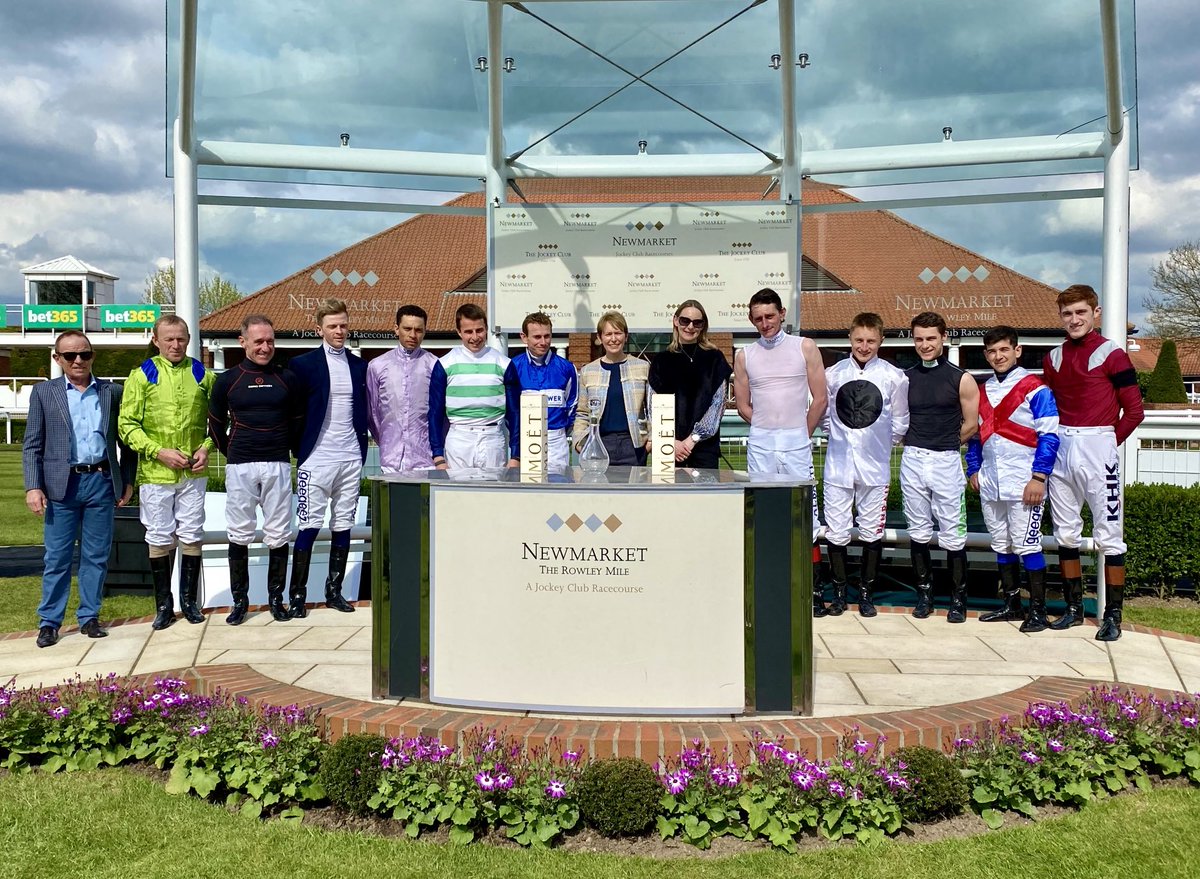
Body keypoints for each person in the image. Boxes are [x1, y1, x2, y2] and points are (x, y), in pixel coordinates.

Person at [1042, 284, 1145, 641]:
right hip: (1062, 445)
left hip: (1098, 444)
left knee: (1110, 537)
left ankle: (1113, 614)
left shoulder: (1112, 354)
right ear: (1060, 317)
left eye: (1081, 312)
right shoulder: (1052, 358)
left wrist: (1105, 445)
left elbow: (1135, 411)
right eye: (1068, 314)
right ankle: (1072, 608)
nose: (1074, 319)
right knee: (1065, 533)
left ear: (1095, 313)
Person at [23, 332, 135, 647]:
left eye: (84, 354)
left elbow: (126, 443)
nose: (77, 361)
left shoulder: (113, 392)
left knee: (96, 556)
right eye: (70, 355)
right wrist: (34, 486)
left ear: (92, 356)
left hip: (101, 481)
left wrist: (127, 480)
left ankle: (89, 617)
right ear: (58, 358)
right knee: (57, 557)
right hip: (61, 485)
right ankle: (49, 622)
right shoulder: (44, 393)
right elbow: (32, 444)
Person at [732, 288, 828, 615]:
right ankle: (769, 586)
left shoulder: (805, 347)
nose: (765, 323)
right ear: (751, 319)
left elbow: (820, 399)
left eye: (770, 316)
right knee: (762, 513)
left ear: (782, 313)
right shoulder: (745, 355)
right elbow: (744, 405)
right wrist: (765, 426)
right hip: (761, 442)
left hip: (796, 441)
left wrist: (800, 433)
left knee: (804, 516)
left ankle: (813, 591)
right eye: (758, 318)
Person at [118, 315, 215, 630]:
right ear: (156, 340)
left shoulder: (203, 374)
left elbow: (218, 421)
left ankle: (189, 602)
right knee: (158, 536)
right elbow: (127, 425)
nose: (176, 345)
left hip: (192, 474)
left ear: (189, 339)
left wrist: (205, 448)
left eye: (181, 339)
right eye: (169, 339)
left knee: (192, 533)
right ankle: (164, 605)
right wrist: (157, 451)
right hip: (156, 474)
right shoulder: (142, 375)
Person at [208, 315, 302, 625]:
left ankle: (276, 599)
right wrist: (233, 451)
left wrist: (290, 450)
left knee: (278, 533)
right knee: (240, 533)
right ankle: (240, 602)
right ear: (243, 341)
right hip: (240, 465)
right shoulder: (227, 380)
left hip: (277, 463)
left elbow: (297, 422)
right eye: (258, 341)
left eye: (270, 341)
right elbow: (217, 425)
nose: (265, 347)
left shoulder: (286, 378)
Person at [966, 326, 1060, 632]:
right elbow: (976, 437)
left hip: (1024, 481)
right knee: (1001, 545)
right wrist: (973, 468)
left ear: (1016, 351)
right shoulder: (982, 390)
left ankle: (1038, 611)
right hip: (991, 481)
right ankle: (1011, 604)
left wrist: (1039, 476)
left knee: (1028, 545)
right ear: (986, 354)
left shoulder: (1036, 388)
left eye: (1004, 349)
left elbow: (1049, 436)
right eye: (992, 351)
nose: (998, 356)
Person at [822, 313, 909, 617]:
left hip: (875, 468)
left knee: (872, 531)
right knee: (836, 532)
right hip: (838, 466)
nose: (864, 346)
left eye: (871, 341)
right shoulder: (832, 374)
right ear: (850, 338)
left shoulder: (894, 376)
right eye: (859, 340)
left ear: (880, 341)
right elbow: (822, 413)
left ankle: (866, 595)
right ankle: (839, 595)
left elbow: (900, 421)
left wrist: (882, 444)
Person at [289, 298, 370, 615]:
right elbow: (293, 414)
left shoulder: (358, 365)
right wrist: (300, 450)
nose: (339, 331)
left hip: (350, 455)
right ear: (319, 329)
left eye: (343, 325)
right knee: (308, 526)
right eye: (333, 326)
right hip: (316, 458)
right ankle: (297, 595)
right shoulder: (303, 365)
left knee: (343, 525)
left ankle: (334, 592)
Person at [901, 312, 980, 623]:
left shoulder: (962, 378)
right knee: (918, 532)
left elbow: (972, 425)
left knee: (953, 534)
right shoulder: (904, 378)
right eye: (919, 339)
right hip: (912, 460)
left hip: (946, 460)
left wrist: (945, 441)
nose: (925, 344)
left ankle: (958, 600)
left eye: (931, 338)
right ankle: (925, 596)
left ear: (943, 338)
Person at [428, 303, 518, 470]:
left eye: (479, 330)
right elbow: (435, 412)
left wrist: (516, 455)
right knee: (458, 496)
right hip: (459, 439)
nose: (475, 337)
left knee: (492, 494)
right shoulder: (444, 364)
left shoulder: (504, 363)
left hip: (493, 439)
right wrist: (438, 455)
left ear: (486, 329)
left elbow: (514, 412)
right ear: (459, 332)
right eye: (468, 332)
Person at [650, 300, 732, 470]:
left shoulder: (715, 359)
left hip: (704, 449)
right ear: (675, 320)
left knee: (704, 497)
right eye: (685, 321)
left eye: (697, 322)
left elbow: (718, 405)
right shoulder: (660, 361)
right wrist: (671, 442)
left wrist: (692, 439)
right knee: (666, 497)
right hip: (668, 450)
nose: (690, 327)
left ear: (703, 326)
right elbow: (652, 406)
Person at [573, 311, 651, 465]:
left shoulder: (642, 367)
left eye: (618, 333)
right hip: (599, 444)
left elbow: (651, 409)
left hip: (634, 445)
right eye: (608, 334)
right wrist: (579, 443)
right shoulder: (588, 371)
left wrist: (650, 443)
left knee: (632, 489)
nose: (613, 339)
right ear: (600, 337)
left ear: (626, 336)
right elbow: (582, 412)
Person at [366, 304, 436, 473]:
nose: (413, 335)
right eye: (407, 328)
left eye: (418, 330)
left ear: (425, 331)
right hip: (390, 458)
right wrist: (387, 438)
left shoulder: (434, 365)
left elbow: (441, 415)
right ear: (396, 329)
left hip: (425, 458)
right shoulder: (377, 366)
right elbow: (372, 412)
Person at [505, 312, 578, 471]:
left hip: (556, 440)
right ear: (524, 337)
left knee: (557, 490)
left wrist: (559, 431)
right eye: (537, 337)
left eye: (547, 336)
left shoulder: (566, 368)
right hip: (525, 440)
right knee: (527, 493)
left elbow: (573, 405)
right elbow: (509, 411)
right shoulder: (513, 367)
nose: (543, 342)